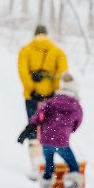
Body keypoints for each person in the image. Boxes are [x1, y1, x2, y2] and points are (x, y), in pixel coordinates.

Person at [18, 72, 84, 188]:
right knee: (73, 167)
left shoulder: (52, 101)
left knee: (49, 166)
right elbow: (78, 122)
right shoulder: (75, 105)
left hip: (46, 140)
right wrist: (69, 130)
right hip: (62, 142)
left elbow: (39, 115)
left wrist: (32, 125)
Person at [17, 25, 68, 179]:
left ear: (35, 34)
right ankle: (49, 165)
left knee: (34, 127)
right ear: (46, 34)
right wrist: (54, 91)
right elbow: (63, 73)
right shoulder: (58, 52)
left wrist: (32, 89)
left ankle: (35, 166)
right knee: (49, 130)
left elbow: (23, 72)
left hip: (32, 97)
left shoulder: (25, 51)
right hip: (51, 98)